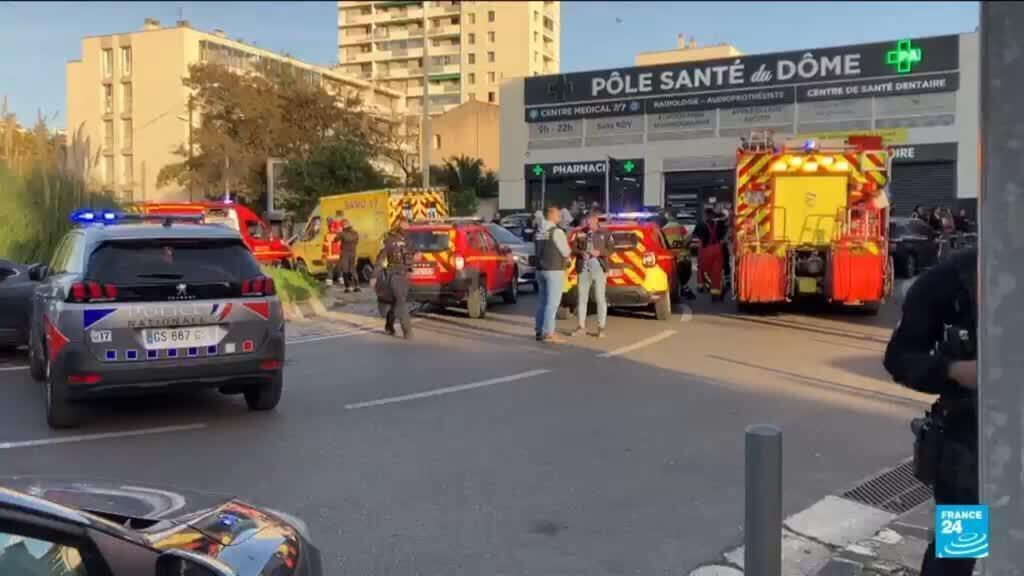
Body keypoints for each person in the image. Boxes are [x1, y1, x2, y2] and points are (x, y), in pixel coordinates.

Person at [884, 247, 977, 576]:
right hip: (970, 447)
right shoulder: (951, 282)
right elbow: (900, 357)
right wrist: (953, 369)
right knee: (959, 550)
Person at [570, 210, 614, 338]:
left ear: (596, 220)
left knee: (600, 298)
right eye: (586, 220)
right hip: (583, 267)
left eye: (590, 220)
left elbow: (611, 249)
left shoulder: (605, 233)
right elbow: (573, 247)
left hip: (598, 267)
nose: (588, 223)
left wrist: (599, 252)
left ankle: (601, 327)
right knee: (582, 298)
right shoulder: (580, 232)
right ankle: (581, 326)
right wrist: (580, 253)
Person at [534, 205, 571, 343]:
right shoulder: (557, 232)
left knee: (542, 302)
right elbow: (566, 251)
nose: (560, 217)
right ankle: (549, 333)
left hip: (540, 270)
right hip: (554, 270)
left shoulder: (539, 231)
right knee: (552, 303)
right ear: (551, 215)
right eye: (558, 215)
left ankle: (539, 330)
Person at [373, 215, 414, 339]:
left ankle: (389, 323)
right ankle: (407, 332)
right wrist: (374, 276)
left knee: (397, 302)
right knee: (402, 302)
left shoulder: (409, 240)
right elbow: (380, 259)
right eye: (406, 223)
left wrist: (415, 259)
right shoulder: (389, 240)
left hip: (405, 275)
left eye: (408, 223)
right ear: (399, 224)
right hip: (393, 275)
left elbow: (411, 256)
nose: (408, 226)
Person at [692, 207, 726, 301]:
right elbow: (725, 231)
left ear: (706, 215)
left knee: (702, 269)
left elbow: (695, 236)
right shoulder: (719, 224)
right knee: (716, 272)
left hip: (705, 250)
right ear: (713, 214)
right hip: (718, 249)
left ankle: (702, 286)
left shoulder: (701, 225)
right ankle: (715, 292)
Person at [338, 221, 360, 293]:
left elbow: (335, 239)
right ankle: (357, 286)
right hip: (353, 253)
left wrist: (339, 233)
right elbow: (357, 242)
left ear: (344, 226)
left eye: (342, 225)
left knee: (345, 270)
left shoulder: (342, 233)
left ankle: (348, 287)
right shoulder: (355, 233)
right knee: (353, 269)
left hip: (345, 253)